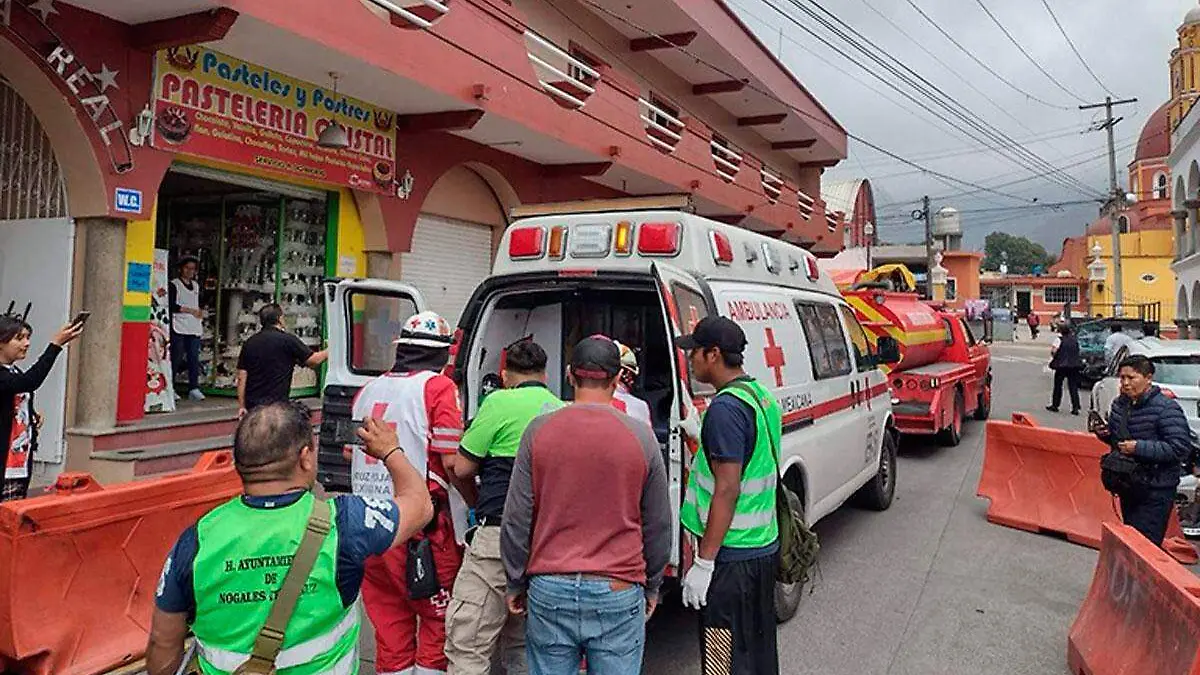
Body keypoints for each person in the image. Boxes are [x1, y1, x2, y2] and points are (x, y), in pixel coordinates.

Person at [145, 402, 434, 675]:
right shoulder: (344, 522)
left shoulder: (198, 538)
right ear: (305, 458)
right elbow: (420, 506)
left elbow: (163, 642)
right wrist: (390, 451)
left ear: (238, 462)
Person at [501, 336, 671, 675]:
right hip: (618, 589)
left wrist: (516, 581)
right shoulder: (641, 437)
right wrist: (652, 584)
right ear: (617, 378)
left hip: (549, 587)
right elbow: (658, 524)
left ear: (569, 375)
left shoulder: (538, 431)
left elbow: (516, 518)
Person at [350, 310, 470, 675]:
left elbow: (349, 453)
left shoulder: (366, 390)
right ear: (442, 353)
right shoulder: (438, 388)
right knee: (438, 620)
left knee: (389, 622)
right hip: (422, 530)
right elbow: (451, 462)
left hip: (369, 526)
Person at [445, 339, 563, 675]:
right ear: (545, 374)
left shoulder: (498, 401)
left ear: (505, 374)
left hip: (497, 537)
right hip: (547, 543)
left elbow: (462, 467)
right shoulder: (561, 409)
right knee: (524, 640)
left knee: (468, 640)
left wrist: (474, 501)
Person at [677, 316, 781, 675]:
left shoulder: (725, 409)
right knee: (756, 650)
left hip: (729, 559)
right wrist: (699, 440)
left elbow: (728, 487)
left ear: (714, 354)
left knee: (721, 657)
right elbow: (746, 463)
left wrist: (704, 562)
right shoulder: (759, 396)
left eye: (695, 353)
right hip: (760, 548)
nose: (691, 360)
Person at [1090, 355, 1193, 546]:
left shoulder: (1166, 408)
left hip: (1156, 489)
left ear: (1148, 378)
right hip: (1129, 485)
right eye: (1122, 378)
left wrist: (1139, 447)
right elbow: (1118, 441)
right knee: (1131, 542)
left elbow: (1179, 447)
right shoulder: (1120, 405)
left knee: (1145, 545)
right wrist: (1104, 434)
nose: (1126, 383)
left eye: (1132, 378)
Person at [0, 315, 83, 501]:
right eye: (19, 338)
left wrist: (30, 415)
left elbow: (15, 395)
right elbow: (29, 382)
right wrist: (55, 345)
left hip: (19, 458)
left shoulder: (12, 370)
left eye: (28, 337)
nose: (27, 343)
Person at [237, 304, 329, 417]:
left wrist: (242, 406)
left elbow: (241, 377)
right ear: (280, 319)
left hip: (253, 406)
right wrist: (330, 351)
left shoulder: (249, 343)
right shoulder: (288, 340)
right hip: (277, 407)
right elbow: (313, 360)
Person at [170, 257, 206, 401]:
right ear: (181, 269)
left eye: (192, 269)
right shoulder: (174, 285)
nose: (190, 271)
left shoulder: (196, 286)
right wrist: (189, 310)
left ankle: (194, 387)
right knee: (176, 358)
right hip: (178, 325)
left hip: (194, 326)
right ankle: (170, 387)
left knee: (193, 358)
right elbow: (171, 305)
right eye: (187, 268)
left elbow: (199, 303)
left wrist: (200, 311)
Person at [612, 340, 652, 426]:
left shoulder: (579, 403)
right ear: (622, 374)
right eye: (632, 375)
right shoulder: (638, 406)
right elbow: (645, 438)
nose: (633, 381)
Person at [1046, 323, 1083, 415]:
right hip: (1074, 366)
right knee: (1073, 386)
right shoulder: (1075, 340)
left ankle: (1055, 405)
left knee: (1058, 386)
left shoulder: (1059, 340)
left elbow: (1054, 351)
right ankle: (1075, 407)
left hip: (1061, 366)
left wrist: (1055, 356)